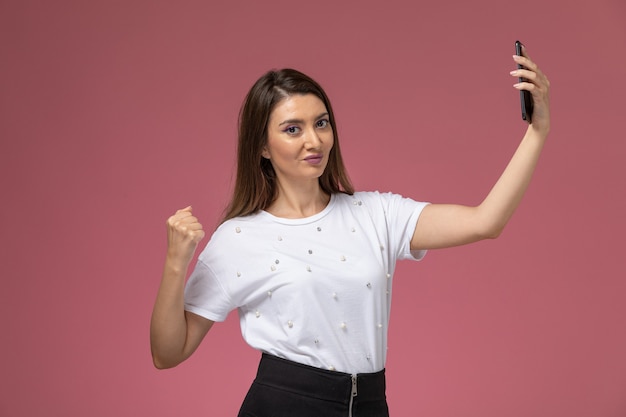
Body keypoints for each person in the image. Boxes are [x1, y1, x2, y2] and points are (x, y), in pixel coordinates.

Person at [150, 45, 550, 417]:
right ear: (263, 146)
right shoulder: (239, 239)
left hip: (370, 403)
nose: (314, 140)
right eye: (293, 129)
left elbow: (486, 221)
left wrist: (538, 131)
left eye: (321, 123)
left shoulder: (376, 213)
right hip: (285, 404)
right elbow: (168, 353)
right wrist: (174, 263)